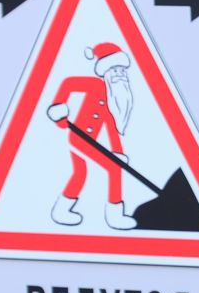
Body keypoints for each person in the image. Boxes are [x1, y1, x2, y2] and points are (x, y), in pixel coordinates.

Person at [46, 41, 136, 230]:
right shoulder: (95, 85)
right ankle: (115, 216)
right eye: (115, 69)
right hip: (78, 137)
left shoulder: (116, 98)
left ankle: (61, 211)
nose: (120, 74)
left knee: (80, 174)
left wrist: (117, 152)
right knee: (114, 169)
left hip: (90, 140)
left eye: (122, 69)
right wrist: (59, 110)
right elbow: (68, 83)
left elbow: (113, 129)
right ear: (105, 71)